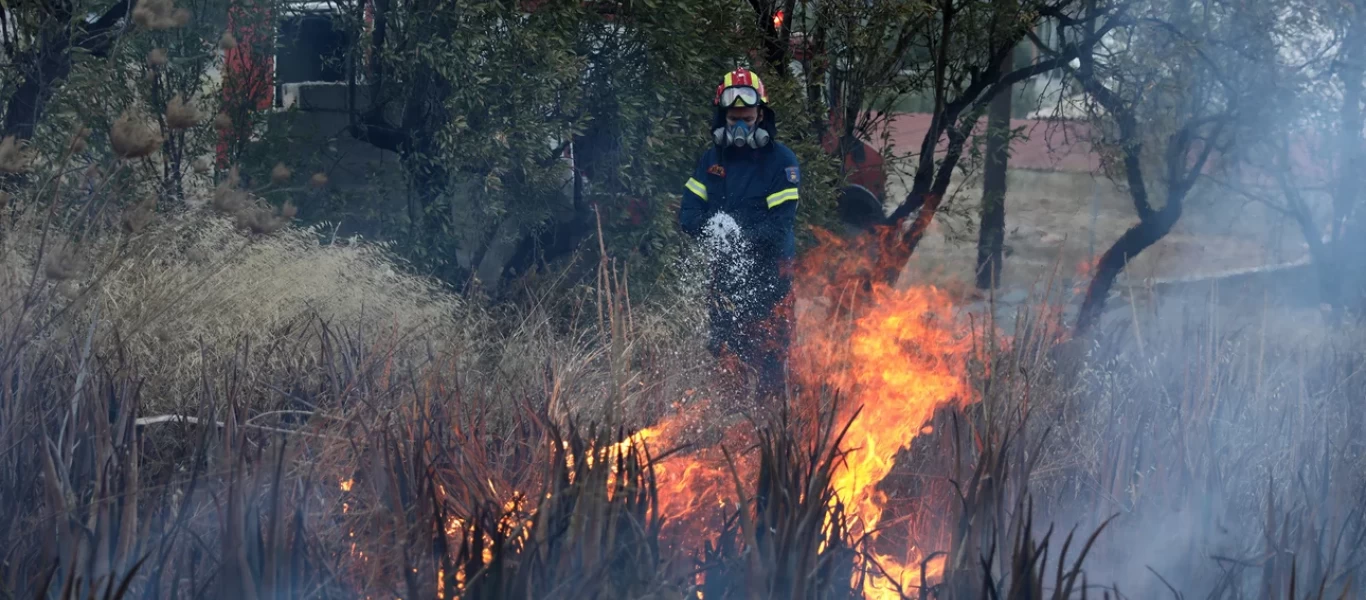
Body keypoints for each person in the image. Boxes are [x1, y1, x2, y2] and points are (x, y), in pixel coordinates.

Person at [678, 67, 800, 401]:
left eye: (748, 118)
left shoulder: (781, 161)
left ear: (761, 115)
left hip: (772, 278)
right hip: (725, 279)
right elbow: (688, 216)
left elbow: (779, 227)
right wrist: (715, 231)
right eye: (734, 119)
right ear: (723, 118)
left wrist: (738, 238)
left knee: (770, 360)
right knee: (726, 362)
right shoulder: (711, 160)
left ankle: (771, 423)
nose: (741, 127)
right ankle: (727, 422)